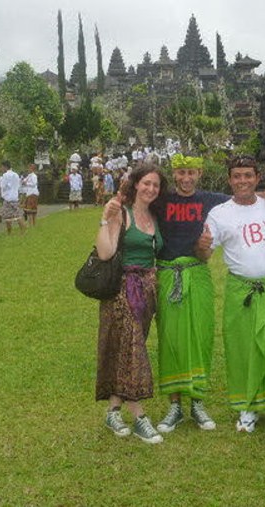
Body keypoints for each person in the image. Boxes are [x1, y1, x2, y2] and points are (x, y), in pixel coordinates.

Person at [197, 155, 265, 439]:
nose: (242, 181)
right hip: (240, 291)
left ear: (257, 178)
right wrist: (202, 246)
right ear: (229, 180)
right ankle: (248, 405)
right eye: (237, 176)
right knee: (242, 348)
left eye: (248, 175)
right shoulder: (219, 214)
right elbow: (204, 254)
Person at [153, 154, 229, 433]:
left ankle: (197, 401)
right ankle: (174, 404)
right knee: (171, 338)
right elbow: (134, 200)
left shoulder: (211, 200)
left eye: (192, 173)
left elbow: (244, 201)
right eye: (181, 173)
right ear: (175, 174)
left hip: (197, 273)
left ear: (199, 173)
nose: (186, 178)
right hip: (167, 274)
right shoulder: (162, 201)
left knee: (201, 335)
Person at [96, 162, 167, 444]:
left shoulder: (154, 216)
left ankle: (113, 410)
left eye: (156, 185)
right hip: (123, 289)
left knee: (128, 350)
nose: (151, 189)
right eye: (146, 183)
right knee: (134, 349)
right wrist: (104, 219)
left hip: (148, 290)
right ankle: (139, 417)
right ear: (135, 184)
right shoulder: (121, 214)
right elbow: (105, 253)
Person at [0, 161, 25, 234]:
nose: (1, 168)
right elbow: (18, 186)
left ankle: (9, 232)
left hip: (8, 198)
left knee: (8, 217)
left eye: (2, 167)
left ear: (5, 167)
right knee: (18, 215)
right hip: (15, 197)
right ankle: (23, 231)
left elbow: (3, 186)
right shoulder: (16, 175)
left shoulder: (5, 176)